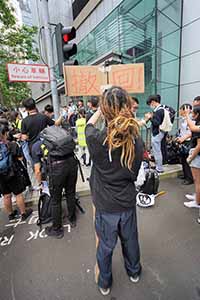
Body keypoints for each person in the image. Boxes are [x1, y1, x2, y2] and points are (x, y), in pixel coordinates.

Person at [85, 86, 143, 296]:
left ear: (105, 110)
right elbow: (135, 174)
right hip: (126, 201)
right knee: (131, 240)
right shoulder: (136, 140)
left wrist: (101, 110)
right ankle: (134, 271)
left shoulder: (96, 139)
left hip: (105, 204)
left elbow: (89, 125)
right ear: (127, 107)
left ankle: (105, 282)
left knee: (105, 246)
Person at [21, 98, 62, 187]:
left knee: (37, 167)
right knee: (49, 163)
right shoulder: (43, 117)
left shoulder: (24, 121)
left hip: (33, 148)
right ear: (35, 106)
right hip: (46, 145)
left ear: (26, 109)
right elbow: (55, 124)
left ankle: (41, 186)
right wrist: (61, 116)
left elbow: (24, 137)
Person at [0, 125, 32, 221]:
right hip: (12, 173)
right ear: (5, 134)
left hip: (0, 175)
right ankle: (23, 213)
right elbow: (20, 158)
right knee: (18, 193)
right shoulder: (11, 144)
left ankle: (11, 214)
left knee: (6, 195)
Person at [183, 105, 200, 208]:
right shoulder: (198, 124)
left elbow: (199, 145)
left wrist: (190, 157)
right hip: (196, 155)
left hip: (197, 156)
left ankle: (197, 202)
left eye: (193, 113)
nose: (192, 114)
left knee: (197, 181)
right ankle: (197, 197)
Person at [145, 95, 165, 173]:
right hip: (160, 132)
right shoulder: (162, 109)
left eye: (150, 104)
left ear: (153, 102)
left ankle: (159, 168)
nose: (150, 106)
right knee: (157, 150)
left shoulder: (159, 111)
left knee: (157, 151)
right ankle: (158, 166)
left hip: (157, 133)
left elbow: (157, 123)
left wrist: (150, 117)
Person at [176, 104, 193, 185]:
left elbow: (191, 132)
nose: (179, 111)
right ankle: (185, 175)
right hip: (183, 140)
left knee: (187, 160)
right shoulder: (183, 119)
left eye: (181, 109)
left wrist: (183, 138)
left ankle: (189, 178)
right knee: (183, 159)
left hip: (188, 141)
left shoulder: (191, 119)